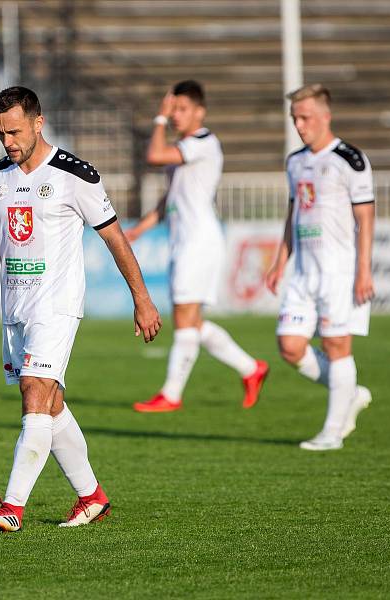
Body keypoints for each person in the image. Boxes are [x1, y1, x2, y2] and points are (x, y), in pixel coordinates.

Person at [0, 86, 162, 532]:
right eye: (0, 133)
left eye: (15, 131)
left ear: (39, 123)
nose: (8, 142)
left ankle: (12, 507)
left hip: (57, 305)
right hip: (15, 309)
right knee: (52, 404)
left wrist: (142, 298)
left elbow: (115, 237)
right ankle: (92, 497)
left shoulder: (73, 174)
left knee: (34, 393)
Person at [125, 80, 268, 413]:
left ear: (200, 112)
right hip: (183, 240)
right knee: (190, 322)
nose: (175, 115)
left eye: (181, 109)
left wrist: (158, 119)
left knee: (186, 319)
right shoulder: (183, 149)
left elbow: (154, 155)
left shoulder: (204, 142)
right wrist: (142, 229)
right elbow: (170, 197)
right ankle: (252, 369)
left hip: (200, 240)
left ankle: (171, 394)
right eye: (172, 109)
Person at [265, 83, 374, 451]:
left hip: (339, 270)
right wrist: (281, 261)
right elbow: (294, 212)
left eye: (305, 117)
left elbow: (366, 217)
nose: (299, 124)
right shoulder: (295, 161)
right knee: (290, 346)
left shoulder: (350, 159)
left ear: (326, 116)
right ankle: (351, 393)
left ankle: (331, 432)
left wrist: (364, 270)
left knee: (336, 344)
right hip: (303, 272)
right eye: (295, 117)